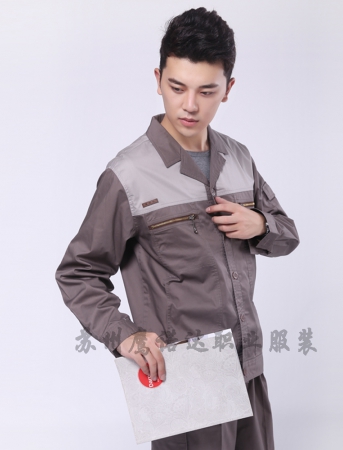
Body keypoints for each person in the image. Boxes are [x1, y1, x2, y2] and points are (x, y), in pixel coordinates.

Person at [55, 7, 300, 450]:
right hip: (185, 375)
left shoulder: (239, 158)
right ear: (158, 79)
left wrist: (260, 224)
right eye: (177, 87)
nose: (190, 105)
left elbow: (287, 235)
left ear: (228, 89)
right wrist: (124, 335)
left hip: (248, 365)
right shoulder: (128, 175)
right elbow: (78, 272)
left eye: (206, 91)